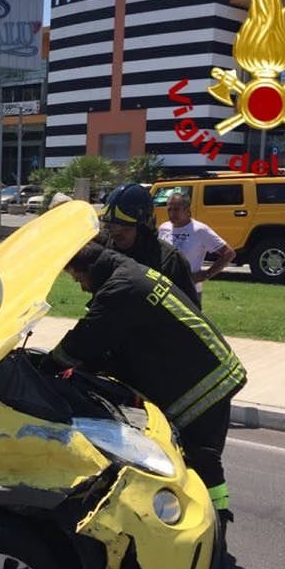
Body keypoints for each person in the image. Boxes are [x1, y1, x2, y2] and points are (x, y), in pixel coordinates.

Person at [43, 239, 246, 544]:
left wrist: (48, 365)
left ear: (85, 268)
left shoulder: (120, 288)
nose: (82, 287)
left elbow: (86, 338)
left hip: (206, 384)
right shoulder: (126, 273)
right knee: (194, 459)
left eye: (77, 278)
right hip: (205, 371)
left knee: (203, 460)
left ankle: (216, 534)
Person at [100, 183, 199, 304]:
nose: (115, 232)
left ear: (144, 228)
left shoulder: (170, 261)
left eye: (124, 227)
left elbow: (189, 311)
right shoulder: (107, 252)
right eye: (111, 226)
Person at [158, 191, 236, 306]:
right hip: (165, 289)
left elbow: (228, 253)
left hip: (189, 290)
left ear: (187, 209)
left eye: (176, 209)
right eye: (169, 209)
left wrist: (206, 274)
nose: (172, 213)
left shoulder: (199, 230)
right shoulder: (164, 228)